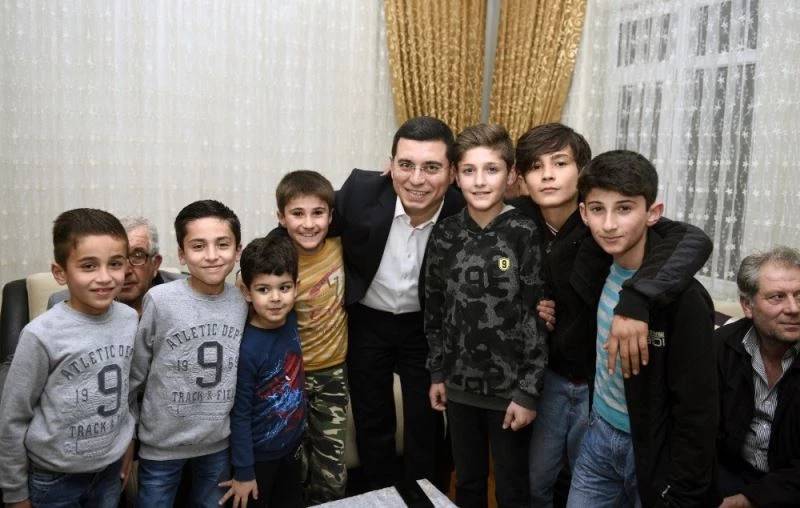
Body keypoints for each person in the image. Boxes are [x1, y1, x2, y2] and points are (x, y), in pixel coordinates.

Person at [512, 124, 713, 506]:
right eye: (536, 166)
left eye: (560, 163)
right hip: (587, 411)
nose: (609, 223)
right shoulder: (530, 223)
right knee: (539, 482)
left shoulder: (665, 285)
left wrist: (636, 299)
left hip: (636, 428)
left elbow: (691, 238)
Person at [566, 150, 718, 507]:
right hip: (598, 433)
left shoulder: (685, 299)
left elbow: (697, 408)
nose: (609, 224)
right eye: (598, 209)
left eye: (624, 208)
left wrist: (684, 491)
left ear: (653, 213)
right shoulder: (593, 266)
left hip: (651, 449)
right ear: (584, 213)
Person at [331, 115, 465, 490]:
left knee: (426, 421)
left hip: (424, 327)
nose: (416, 179)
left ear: (452, 173)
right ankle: (381, 496)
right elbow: (305, 223)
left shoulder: (464, 211)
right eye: (406, 164)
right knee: (372, 419)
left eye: (431, 167)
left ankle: (423, 496)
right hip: (368, 322)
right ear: (390, 166)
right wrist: (253, 269)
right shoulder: (360, 191)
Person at [425, 123, 545, 507]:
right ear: (455, 176)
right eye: (469, 170)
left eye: (491, 169)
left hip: (510, 392)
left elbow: (537, 318)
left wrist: (528, 391)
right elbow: (435, 308)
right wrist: (437, 372)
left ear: (510, 175)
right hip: (459, 388)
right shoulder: (445, 234)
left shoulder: (524, 232)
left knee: (511, 488)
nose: (479, 181)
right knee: (468, 482)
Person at [0, 208, 139, 507]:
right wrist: (14, 493)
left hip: (109, 470)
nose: (105, 277)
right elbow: (12, 417)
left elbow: (128, 389)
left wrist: (129, 440)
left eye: (115, 264)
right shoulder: (40, 334)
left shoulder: (130, 319)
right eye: (88, 266)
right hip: (54, 478)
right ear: (60, 272)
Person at [130, 199, 248, 508]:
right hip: (161, 445)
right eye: (198, 246)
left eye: (222, 244)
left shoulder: (241, 302)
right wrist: (129, 438)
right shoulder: (159, 300)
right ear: (182, 254)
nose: (211, 255)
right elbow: (136, 373)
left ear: (237, 250)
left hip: (217, 443)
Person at [273, 170, 349, 503]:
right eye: (297, 214)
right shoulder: (275, 261)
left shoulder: (341, 248)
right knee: (292, 461)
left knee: (332, 466)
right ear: (281, 218)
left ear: (330, 216)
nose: (308, 224)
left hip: (333, 373)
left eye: (317, 213)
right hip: (288, 375)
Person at [218, 236, 306, 508]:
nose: (276, 298)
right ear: (247, 292)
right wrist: (244, 471)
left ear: (296, 287)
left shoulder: (291, 319)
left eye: (284, 288)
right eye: (264, 289)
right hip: (258, 458)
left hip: (292, 446)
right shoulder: (247, 349)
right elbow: (240, 414)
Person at [715, 246, 800, 507]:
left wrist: (751, 499)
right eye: (777, 297)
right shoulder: (720, 347)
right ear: (747, 305)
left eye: (799, 295)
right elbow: (699, 431)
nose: (793, 308)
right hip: (728, 476)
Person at [48, 216, 183, 315]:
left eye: (137, 255)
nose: (125, 271)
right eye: (115, 262)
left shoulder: (184, 294)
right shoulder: (62, 302)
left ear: (155, 264)